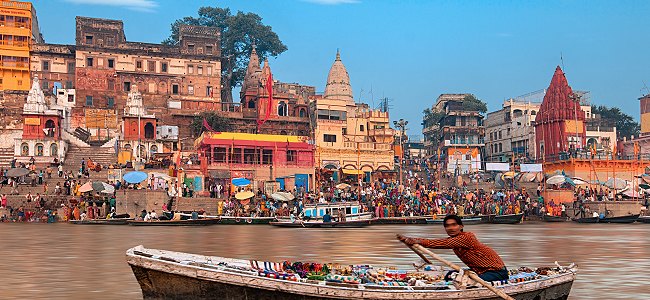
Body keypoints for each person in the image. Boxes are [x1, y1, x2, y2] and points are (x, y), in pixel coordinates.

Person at [398, 215, 508, 282]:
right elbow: (443, 242)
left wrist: (416, 240)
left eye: (454, 225)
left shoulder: (467, 237)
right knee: (449, 276)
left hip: (496, 271)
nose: (450, 228)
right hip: (479, 271)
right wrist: (412, 240)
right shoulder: (454, 241)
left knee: (467, 282)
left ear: (461, 226)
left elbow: (441, 243)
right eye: (447, 226)